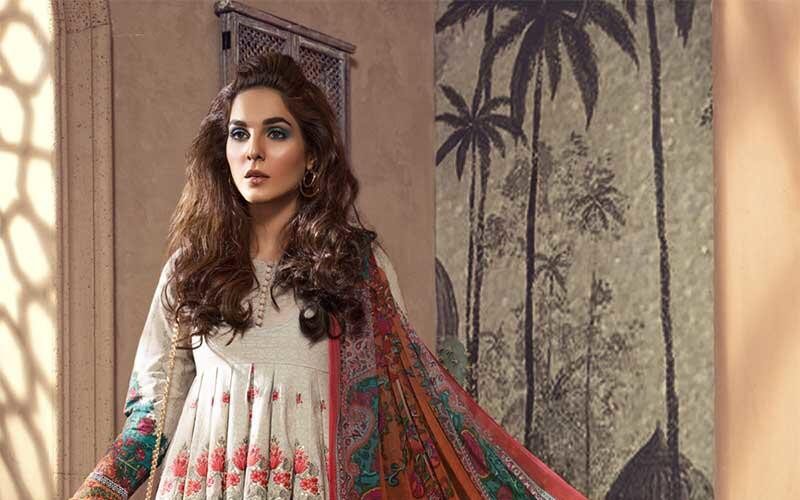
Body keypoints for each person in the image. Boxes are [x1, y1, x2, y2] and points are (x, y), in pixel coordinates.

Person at [71, 52, 585, 500]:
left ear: (312, 156)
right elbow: (153, 416)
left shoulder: (356, 268)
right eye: (239, 133)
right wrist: (95, 492)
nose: (253, 150)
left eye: (276, 133)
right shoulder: (191, 269)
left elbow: (397, 408)